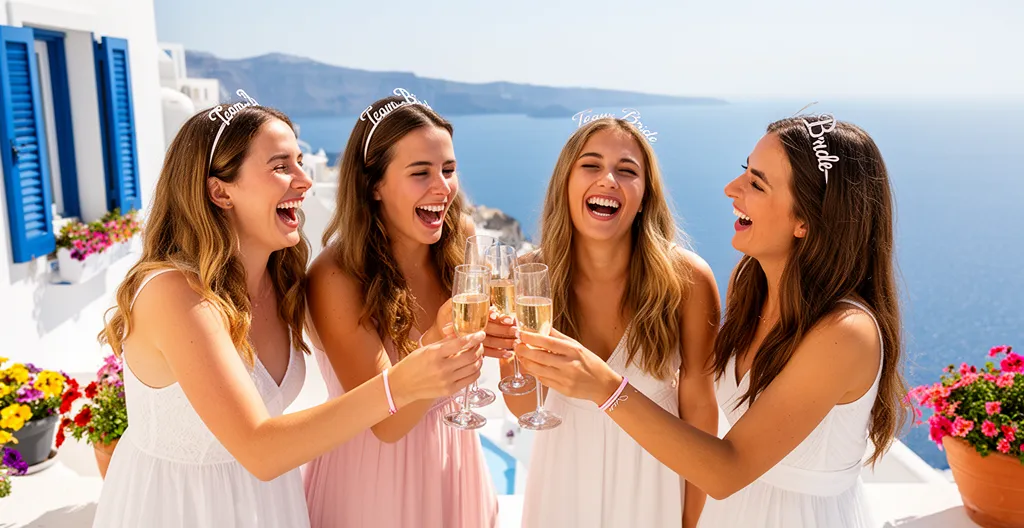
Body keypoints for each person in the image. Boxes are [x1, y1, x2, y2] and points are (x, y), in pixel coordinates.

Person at [93, 100, 484, 528]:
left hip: (270, 503)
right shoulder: (174, 293)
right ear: (220, 191)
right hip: (183, 509)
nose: (305, 180)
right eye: (282, 166)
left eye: (300, 161)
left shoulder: (280, 284)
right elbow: (260, 449)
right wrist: (399, 384)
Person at [515, 114, 908, 528]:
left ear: (806, 221)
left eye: (756, 183)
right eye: (745, 172)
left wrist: (605, 386)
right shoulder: (755, 289)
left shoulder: (844, 335)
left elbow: (727, 468)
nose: (731, 189)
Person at [488, 116, 720, 527]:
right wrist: (512, 359)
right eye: (591, 165)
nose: (608, 180)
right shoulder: (527, 276)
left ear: (645, 195)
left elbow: (700, 406)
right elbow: (526, 409)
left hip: (653, 485)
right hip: (561, 485)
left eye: (627, 170)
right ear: (567, 182)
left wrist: (691, 517)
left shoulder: (688, 280)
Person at [302, 89, 499, 528]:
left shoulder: (459, 239)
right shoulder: (336, 277)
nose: (442, 187)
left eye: (448, 169)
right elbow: (386, 426)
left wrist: (501, 343)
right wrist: (440, 339)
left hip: (458, 466)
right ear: (374, 185)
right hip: (373, 486)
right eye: (420, 172)